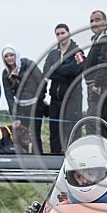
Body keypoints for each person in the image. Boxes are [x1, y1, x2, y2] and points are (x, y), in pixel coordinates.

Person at [43, 23, 85, 154]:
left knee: (72, 131)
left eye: (63, 33)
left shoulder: (78, 52)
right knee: (54, 132)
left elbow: (75, 70)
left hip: (72, 100)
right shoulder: (52, 54)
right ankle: (55, 160)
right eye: (58, 34)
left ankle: (74, 158)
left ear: (69, 34)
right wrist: (63, 72)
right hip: (55, 99)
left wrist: (57, 70)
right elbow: (46, 72)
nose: (61, 36)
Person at [2, 45, 47, 154]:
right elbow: (9, 96)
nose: (9, 58)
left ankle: (38, 157)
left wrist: (39, 99)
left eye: (11, 55)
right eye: (6, 56)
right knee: (21, 134)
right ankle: (23, 159)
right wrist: (15, 116)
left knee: (35, 133)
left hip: (35, 105)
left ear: (16, 55)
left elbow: (42, 82)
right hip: (20, 108)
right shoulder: (5, 73)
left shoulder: (29, 65)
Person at [84, 10, 107, 121]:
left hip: (100, 86)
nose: (94, 23)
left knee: (94, 121)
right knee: (97, 120)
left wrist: (97, 83)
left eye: (97, 20)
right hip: (98, 85)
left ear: (105, 22)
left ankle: (96, 139)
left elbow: (104, 62)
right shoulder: (98, 39)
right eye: (91, 21)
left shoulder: (105, 38)